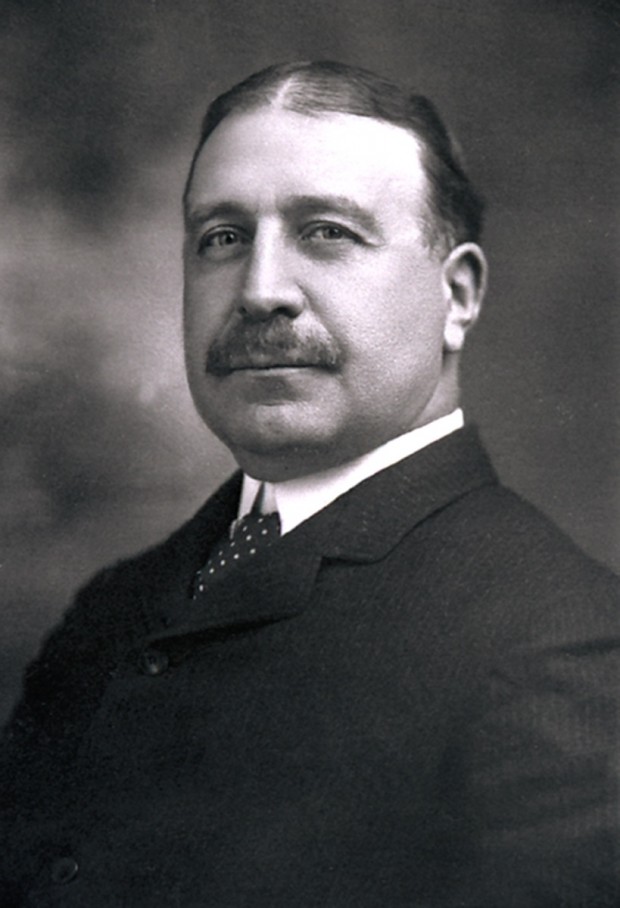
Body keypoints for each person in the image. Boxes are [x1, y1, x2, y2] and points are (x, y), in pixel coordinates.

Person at [1, 60, 618, 907]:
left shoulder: (561, 644)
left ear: (459, 295)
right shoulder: (114, 610)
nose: (259, 292)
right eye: (222, 237)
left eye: (327, 232)